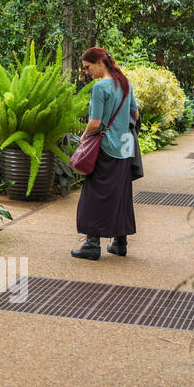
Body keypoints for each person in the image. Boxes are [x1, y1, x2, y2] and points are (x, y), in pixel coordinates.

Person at [71, 47, 139, 260]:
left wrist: (83, 137)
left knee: (94, 196)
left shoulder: (100, 87)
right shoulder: (124, 83)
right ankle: (120, 242)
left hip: (106, 148)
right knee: (121, 194)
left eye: (88, 67)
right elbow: (135, 114)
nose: (87, 72)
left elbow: (95, 123)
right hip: (125, 148)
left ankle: (92, 244)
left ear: (100, 62)